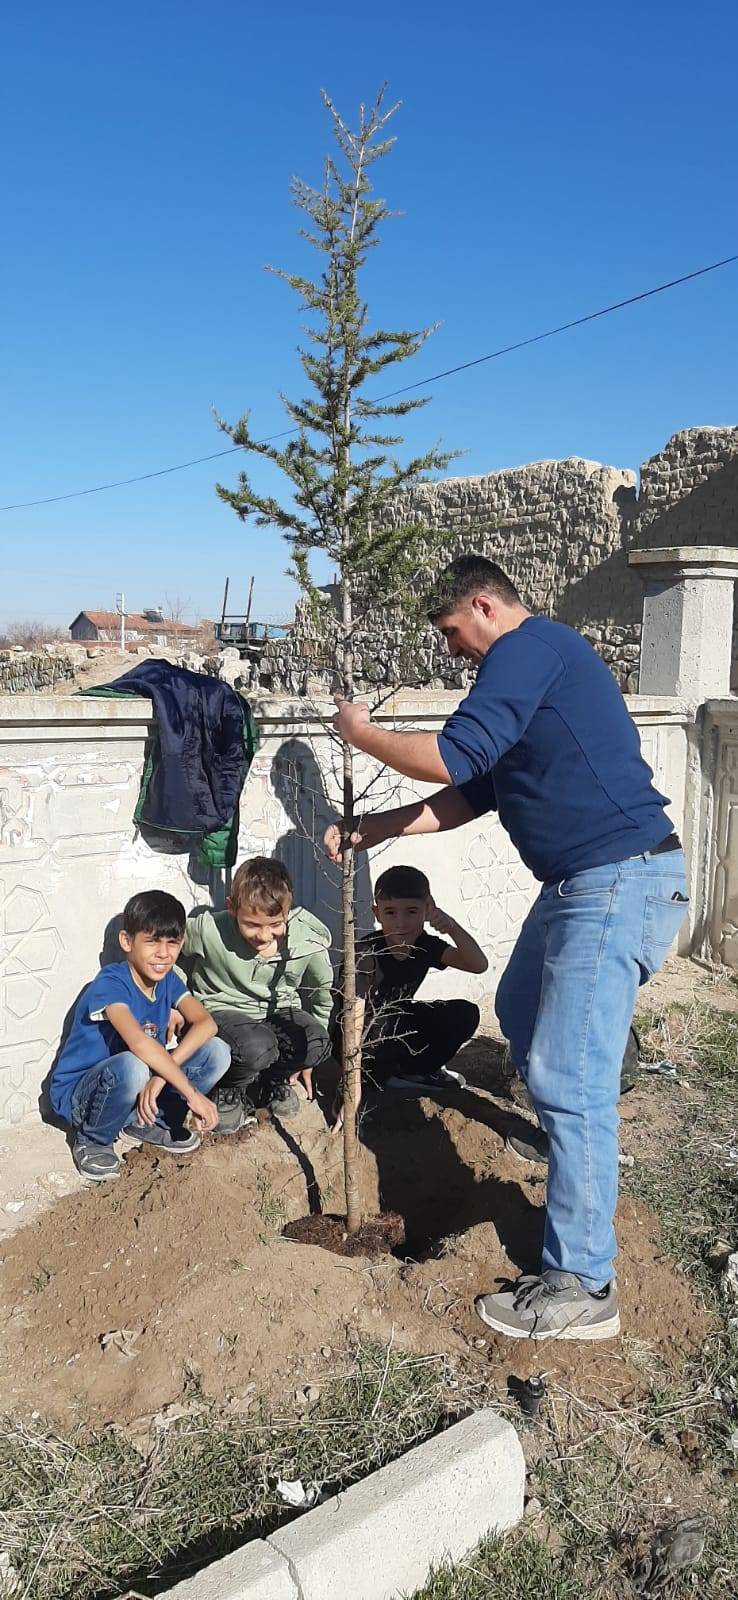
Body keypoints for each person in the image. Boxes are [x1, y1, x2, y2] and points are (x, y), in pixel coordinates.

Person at [325, 554, 689, 1342]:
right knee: (521, 1008)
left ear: (486, 606)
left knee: (567, 1075)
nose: (453, 651)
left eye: (454, 632)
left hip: (616, 880)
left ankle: (584, 1285)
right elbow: (469, 793)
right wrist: (377, 828)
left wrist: (362, 733)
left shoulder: (529, 650)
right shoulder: (532, 675)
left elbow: (452, 755)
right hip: (577, 885)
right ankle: (568, 1134)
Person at [50, 890, 230, 1183]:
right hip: (84, 1097)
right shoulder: (111, 982)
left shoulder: (168, 980)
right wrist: (190, 1093)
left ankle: (147, 1122)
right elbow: (138, 1042)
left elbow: (206, 1024)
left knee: (217, 1051)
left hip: (138, 1085)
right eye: (151, 941)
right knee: (133, 1065)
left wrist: (161, 1079)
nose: (163, 953)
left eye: (172, 943)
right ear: (126, 942)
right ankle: (93, 1140)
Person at [180, 856, 333, 1133]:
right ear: (231, 908)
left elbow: (323, 993)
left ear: (289, 910)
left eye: (275, 924)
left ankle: (275, 1081)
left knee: (316, 1043)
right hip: (224, 1010)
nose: (264, 935)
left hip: (278, 1011)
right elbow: (170, 953)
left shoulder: (306, 938)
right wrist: (173, 1003)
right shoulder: (208, 929)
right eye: (251, 924)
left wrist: (309, 1060)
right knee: (257, 1046)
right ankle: (231, 1089)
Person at [332, 863, 486, 1121]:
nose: (400, 923)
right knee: (383, 1025)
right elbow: (352, 1018)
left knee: (464, 1014)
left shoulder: (425, 945)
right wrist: (351, 1083)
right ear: (377, 913)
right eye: (390, 912)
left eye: (411, 912)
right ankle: (367, 1087)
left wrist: (450, 926)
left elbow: (478, 965)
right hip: (359, 1037)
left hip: (395, 1024)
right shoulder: (365, 953)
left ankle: (416, 1073)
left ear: (426, 910)